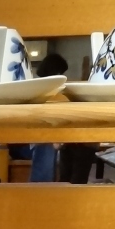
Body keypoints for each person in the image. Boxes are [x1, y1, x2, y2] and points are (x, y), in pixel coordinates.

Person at [28, 53, 70, 182]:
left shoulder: (46, 88)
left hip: (41, 137)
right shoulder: (39, 89)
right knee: (46, 146)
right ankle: (40, 189)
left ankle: (48, 187)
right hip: (31, 140)